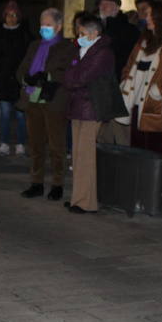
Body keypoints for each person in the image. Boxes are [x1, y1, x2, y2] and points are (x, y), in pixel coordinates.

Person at [17, 7, 74, 201]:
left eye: (48, 25)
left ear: (58, 26)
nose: (44, 28)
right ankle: (36, 182)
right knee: (35, 144)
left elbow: (66, 71)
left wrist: (47, 77)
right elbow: (22, 68)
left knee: (56, 145)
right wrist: (27, 78)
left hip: (53, 100)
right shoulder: (34, 45)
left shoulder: (67, 47)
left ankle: (57, 184)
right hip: (32, 100)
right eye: (42, 25)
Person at [62, 14, 115, 214]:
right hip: (78, 106)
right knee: (77, 156)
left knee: (85, 156)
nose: (79, 36)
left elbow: (82, 77)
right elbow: (68, 74)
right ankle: (79, 197)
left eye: (82, 33)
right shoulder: (83, 50)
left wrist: (73, 77)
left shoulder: (103, 53)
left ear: (94, 33)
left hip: (91, 108)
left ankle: (86, 202)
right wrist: (73, 77)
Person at [118, 0, 162, 155]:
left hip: (155, 106)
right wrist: (125, 81)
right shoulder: (143, 42)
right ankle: (138, 180)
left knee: (154, 152)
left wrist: (157, 90)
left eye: (150, 16)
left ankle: (153, 180)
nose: (146, 18)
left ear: (161, 18)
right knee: (137, 150)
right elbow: (129, 65)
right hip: (136, 104)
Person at [0, 1, 30, 155]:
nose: (11, 18)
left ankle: (21, 142)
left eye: (14, 15)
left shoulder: (25, 34)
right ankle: (4, 142)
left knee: (21, 114)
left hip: (19, 81)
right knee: (5, 113)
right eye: (8, 15)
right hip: (3, 79)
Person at [98, 0, 139, 80]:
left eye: (106, 5)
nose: (102, 7)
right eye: (101, 5)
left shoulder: (130, 30)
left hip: (118, 76)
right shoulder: (98, 27)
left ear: (116, 8)